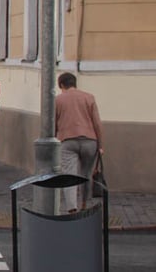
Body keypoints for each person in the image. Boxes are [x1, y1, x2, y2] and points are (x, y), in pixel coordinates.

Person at [55, 72, 104, 213]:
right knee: (86, 174)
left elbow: (53, 123)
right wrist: (100, 145)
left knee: (69, 174)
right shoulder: (89, 98)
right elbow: (97, 123)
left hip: (67, 140)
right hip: (90, 140)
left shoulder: (58, 100)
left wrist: (54, 139)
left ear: (61, 85)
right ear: (74, 83)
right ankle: (84, 203)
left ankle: (72, 207)